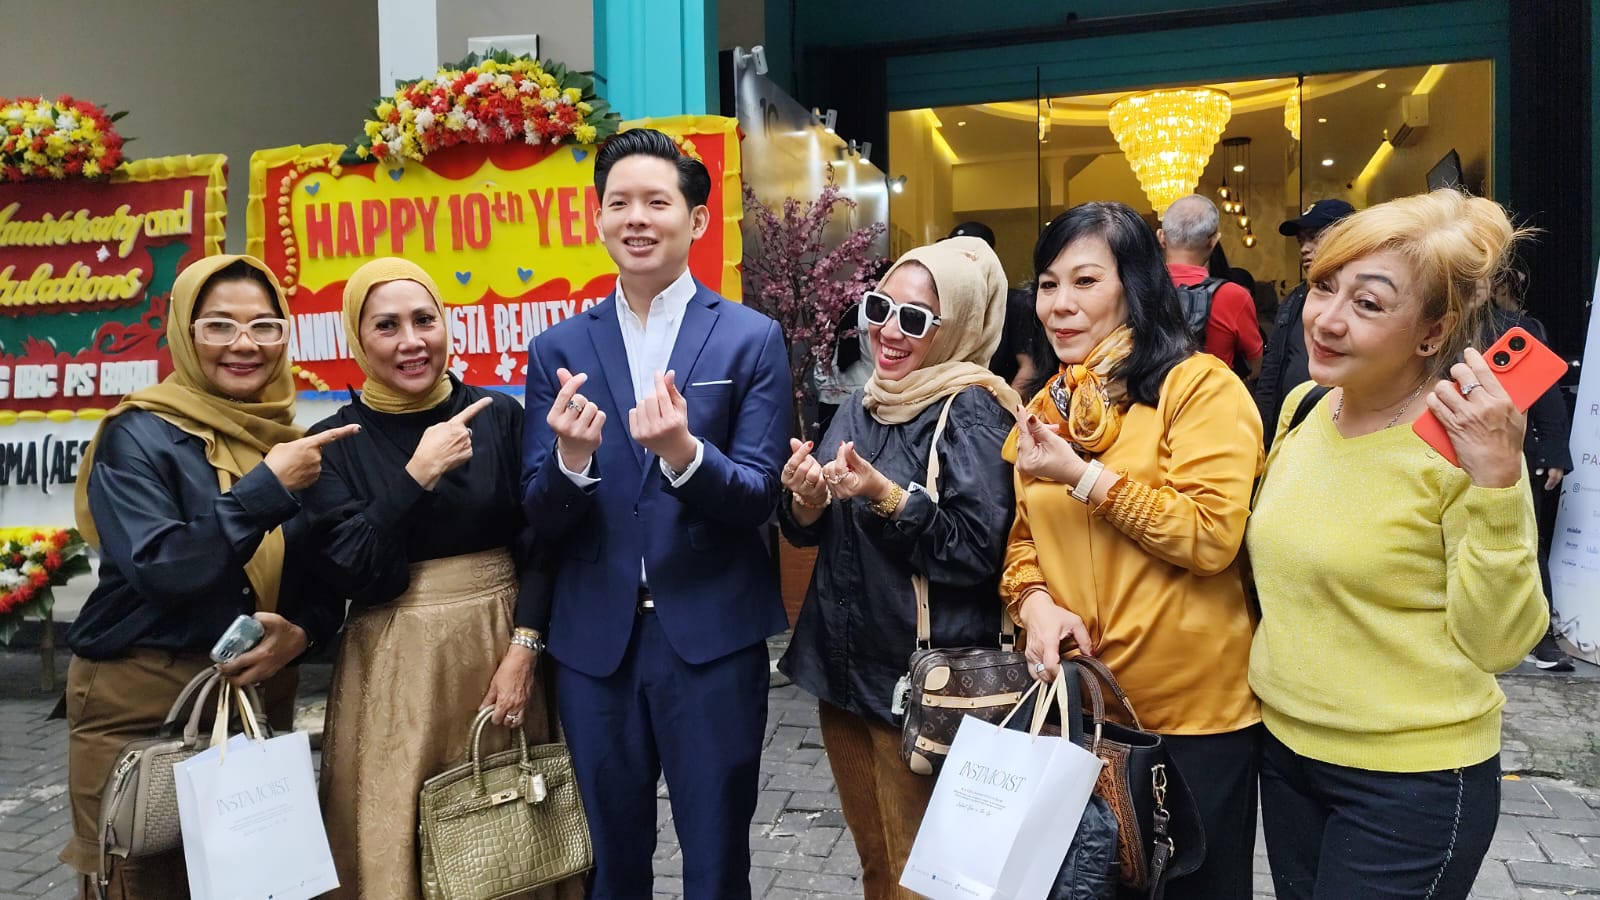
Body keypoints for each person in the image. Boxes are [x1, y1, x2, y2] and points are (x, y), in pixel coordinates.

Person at [1248, 190, 1550, 899]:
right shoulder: (1304, 407)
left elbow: (1500, 643)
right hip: (1287, 753)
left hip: (1410, 781)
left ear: (1431, 333)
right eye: (1324, 286)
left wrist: (1499, 483)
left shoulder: (1463, 447)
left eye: (1368, 303)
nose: (1327, 319)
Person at [519, 128, 792, 900]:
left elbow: (759, 496)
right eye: (620, 203)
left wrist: (683, 455)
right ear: (598, 218)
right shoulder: (558, 348)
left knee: (716, 862)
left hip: (711, 639)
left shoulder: (749, 338)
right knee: (609, 865)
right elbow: (539, 512)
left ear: (696, 219)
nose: (636, 218)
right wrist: (571, 462)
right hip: (594, 645)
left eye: (656, 202)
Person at [63, 255, 351, 898]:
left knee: (255, 880)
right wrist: (266, 488)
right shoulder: (137, 435)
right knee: (141, 877)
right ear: (185, 334)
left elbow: (324, 577)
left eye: (264, 326)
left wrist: (301, 634)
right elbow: (162, 566)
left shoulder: (289, 442)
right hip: (143, 693)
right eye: (219, 325)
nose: (244, 344)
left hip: (255, 695)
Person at [1003, 201, 1264, 899]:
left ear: (1136, 287)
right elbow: (1024, 541)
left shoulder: (1197, 387)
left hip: (1190, 721)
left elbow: (1209, 536)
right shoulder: (1050, 406)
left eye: (1085, 281)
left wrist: (1083, 476)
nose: (1059, 304)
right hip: (1079, 710)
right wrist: (1034, 606)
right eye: (1048, 284)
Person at [305, 258, 577, 900]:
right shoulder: (332, 442)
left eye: (424, 320)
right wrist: (415, 477)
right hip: (395, 666)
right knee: (399, 834)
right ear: (356, 339)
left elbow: (540, 541)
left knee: (507, 826)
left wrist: (525, 647)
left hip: (499, 645)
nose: (411, 341)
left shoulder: (497, 415)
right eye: (386, 326)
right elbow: (351, 568)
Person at [776, 236, 1021, 900]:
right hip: (843, 672)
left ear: (957, 327)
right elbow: (814, 529)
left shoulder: (972, 410)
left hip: (918, 688)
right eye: (880, 307)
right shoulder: (866, 400)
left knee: (924, 880)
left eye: (914, 319)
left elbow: (977, 552)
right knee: (877, 865)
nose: (888, 330)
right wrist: (805, 499)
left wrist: (887, 496)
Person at [1484, 267, 1576, 672]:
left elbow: (1545, 394)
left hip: (1515, 453)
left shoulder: (1517, 328)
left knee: (1526, 544)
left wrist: (1553, 452)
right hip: (1444, 453)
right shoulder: (1432, 325)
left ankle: (1542, 637)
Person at [1254, 198, 1356, 441]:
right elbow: (1272, 367)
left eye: (1314, 237)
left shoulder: (1363, 301)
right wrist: (1263, 433)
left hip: (1342, 430)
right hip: (1290, 428)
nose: (1304, 248)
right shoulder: (1296, 298)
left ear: (1348, 236)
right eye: (1301, 240)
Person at [1158, 194, 1264, 379]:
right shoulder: (1233, 295)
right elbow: (1256, 364)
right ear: (1214, 241)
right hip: (1213, 395)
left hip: (1146, 396)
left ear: (1161, 237)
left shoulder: (1135, 290)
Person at [949, 221, 1056, 397]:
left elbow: (1029, 368)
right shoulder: (951, 304)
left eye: (971, 255)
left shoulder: (1015, 303)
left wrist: (1002, 407)